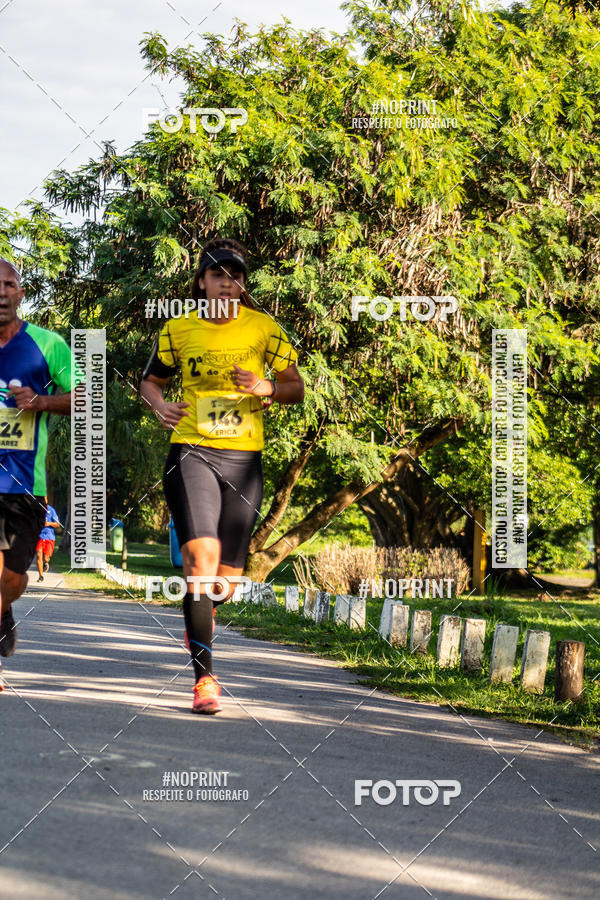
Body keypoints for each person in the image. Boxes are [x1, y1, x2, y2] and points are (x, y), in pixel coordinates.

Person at [140, 238, 304, 714]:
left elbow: (296, 387)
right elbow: (151, 380)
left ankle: (201, 619)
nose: (228, 284)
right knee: (200, 561)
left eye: (235, 276)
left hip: (243, 459)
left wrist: (266, 385)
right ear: (202, 282)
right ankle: (205, 679)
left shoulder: (263, 328)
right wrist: (160, 406)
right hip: (191, 450)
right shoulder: (179, 328)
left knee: (224, 584)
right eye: (218, 275)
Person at [0, 259, 74, 673]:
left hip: (27, 484)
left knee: (12, 580)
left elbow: (85, 396)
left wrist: (42, 401)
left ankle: (4, 608)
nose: (1, 292)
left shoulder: (47, 345)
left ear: (21, 293)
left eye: (9, 284)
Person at [36, 498, 61, 582]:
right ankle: (41, 576)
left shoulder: (51, 510)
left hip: (49, 537)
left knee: (46, 558)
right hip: (39, 536)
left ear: (46, 500)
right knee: (39, 555)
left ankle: (46, 562)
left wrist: (48, 524)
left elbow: (57, 524)